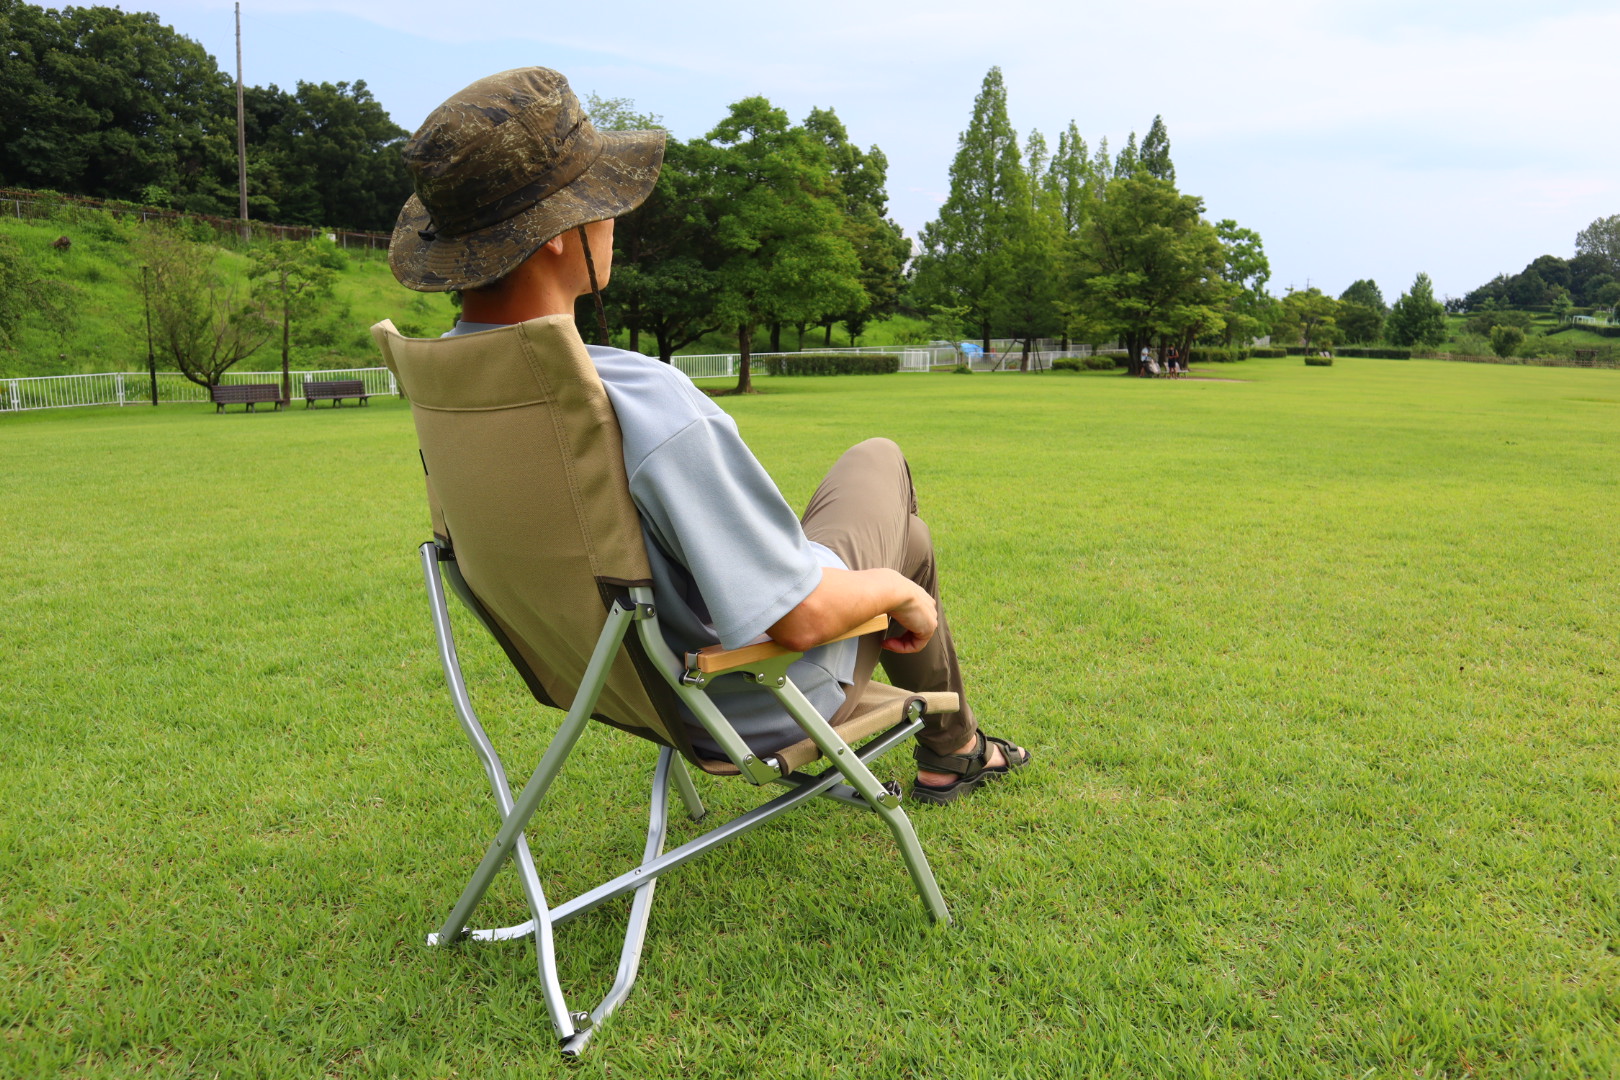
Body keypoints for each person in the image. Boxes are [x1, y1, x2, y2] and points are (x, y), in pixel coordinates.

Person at [381, 68, 1028, 804]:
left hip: (619, 685)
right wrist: (900, 596)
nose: (615, 217)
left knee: (898, 536)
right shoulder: (637, 400)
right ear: (557, 238)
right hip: (748, 691)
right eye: (601, 199)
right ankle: (956, 752)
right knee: (886, 483)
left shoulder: (454, 390)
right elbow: (803, 615)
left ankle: (955, 749)